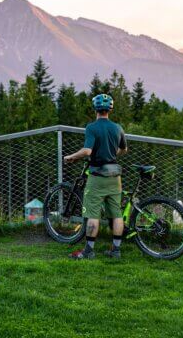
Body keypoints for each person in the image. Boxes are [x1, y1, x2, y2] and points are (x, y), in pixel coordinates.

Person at [63, 94, 128, 259]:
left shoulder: (91, 127)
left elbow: (87, 151)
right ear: (110, 109)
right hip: (115, 176)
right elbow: (124, 150)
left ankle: (89, 251)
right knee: (116, 214)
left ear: (95, 109)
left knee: (93, 214)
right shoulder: (118, 127)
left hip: (97, 175)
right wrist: (112, 154)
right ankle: (116, 250)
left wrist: (71, 157)